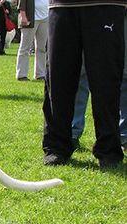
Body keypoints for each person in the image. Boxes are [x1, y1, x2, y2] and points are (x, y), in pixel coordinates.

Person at [42, 0, 125, 168]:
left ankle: (108, 149)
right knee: (58, 78)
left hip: (108, 5)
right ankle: (56, 147)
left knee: (106, 80)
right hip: (62, 6)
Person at [72, 15, 127, 152]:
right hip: (88, 10)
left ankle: (124, 135)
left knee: (125, 73)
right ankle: (73, 132)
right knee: (81, 72)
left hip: (120, 11)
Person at [15, 0, 48, 81]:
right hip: (30, 18)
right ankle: (21, 75)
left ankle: (40, 74)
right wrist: (23, 16)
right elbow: (22, 3)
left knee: (42, 48)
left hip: (45, 18)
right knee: (25, 47)